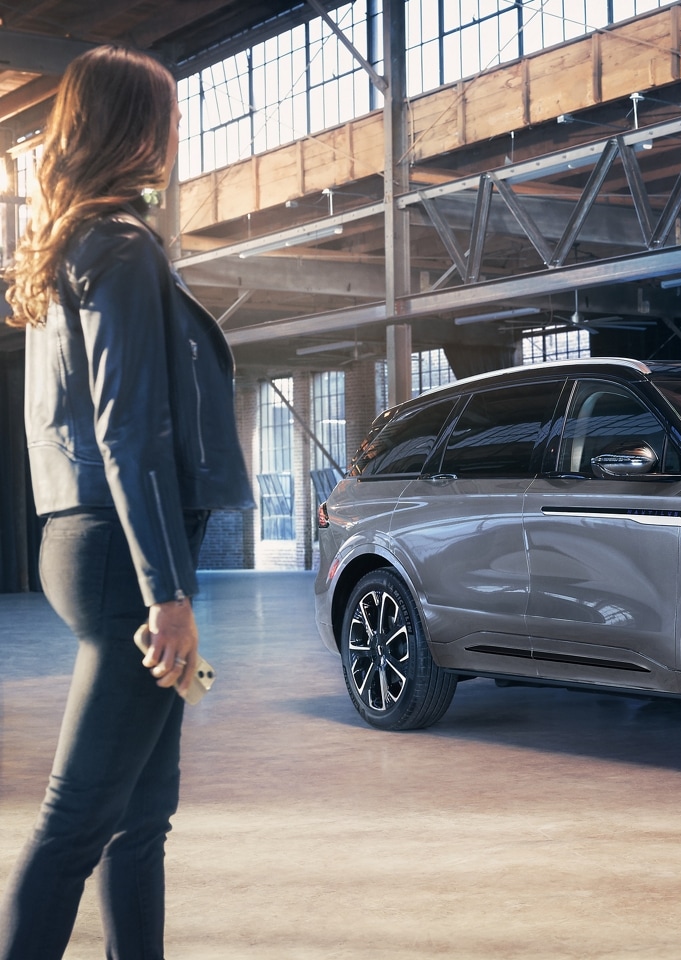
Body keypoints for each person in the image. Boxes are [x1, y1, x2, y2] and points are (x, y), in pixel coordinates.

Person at [0, 45, 252, 959]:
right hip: (125, 561)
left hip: (85, 543)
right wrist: (166, 593)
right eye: (172, 117)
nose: (179, 135)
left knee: (141, 818)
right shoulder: (122, 244)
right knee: (77, 822)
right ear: (136, 128)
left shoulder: (75, 242)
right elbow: (130, 429)